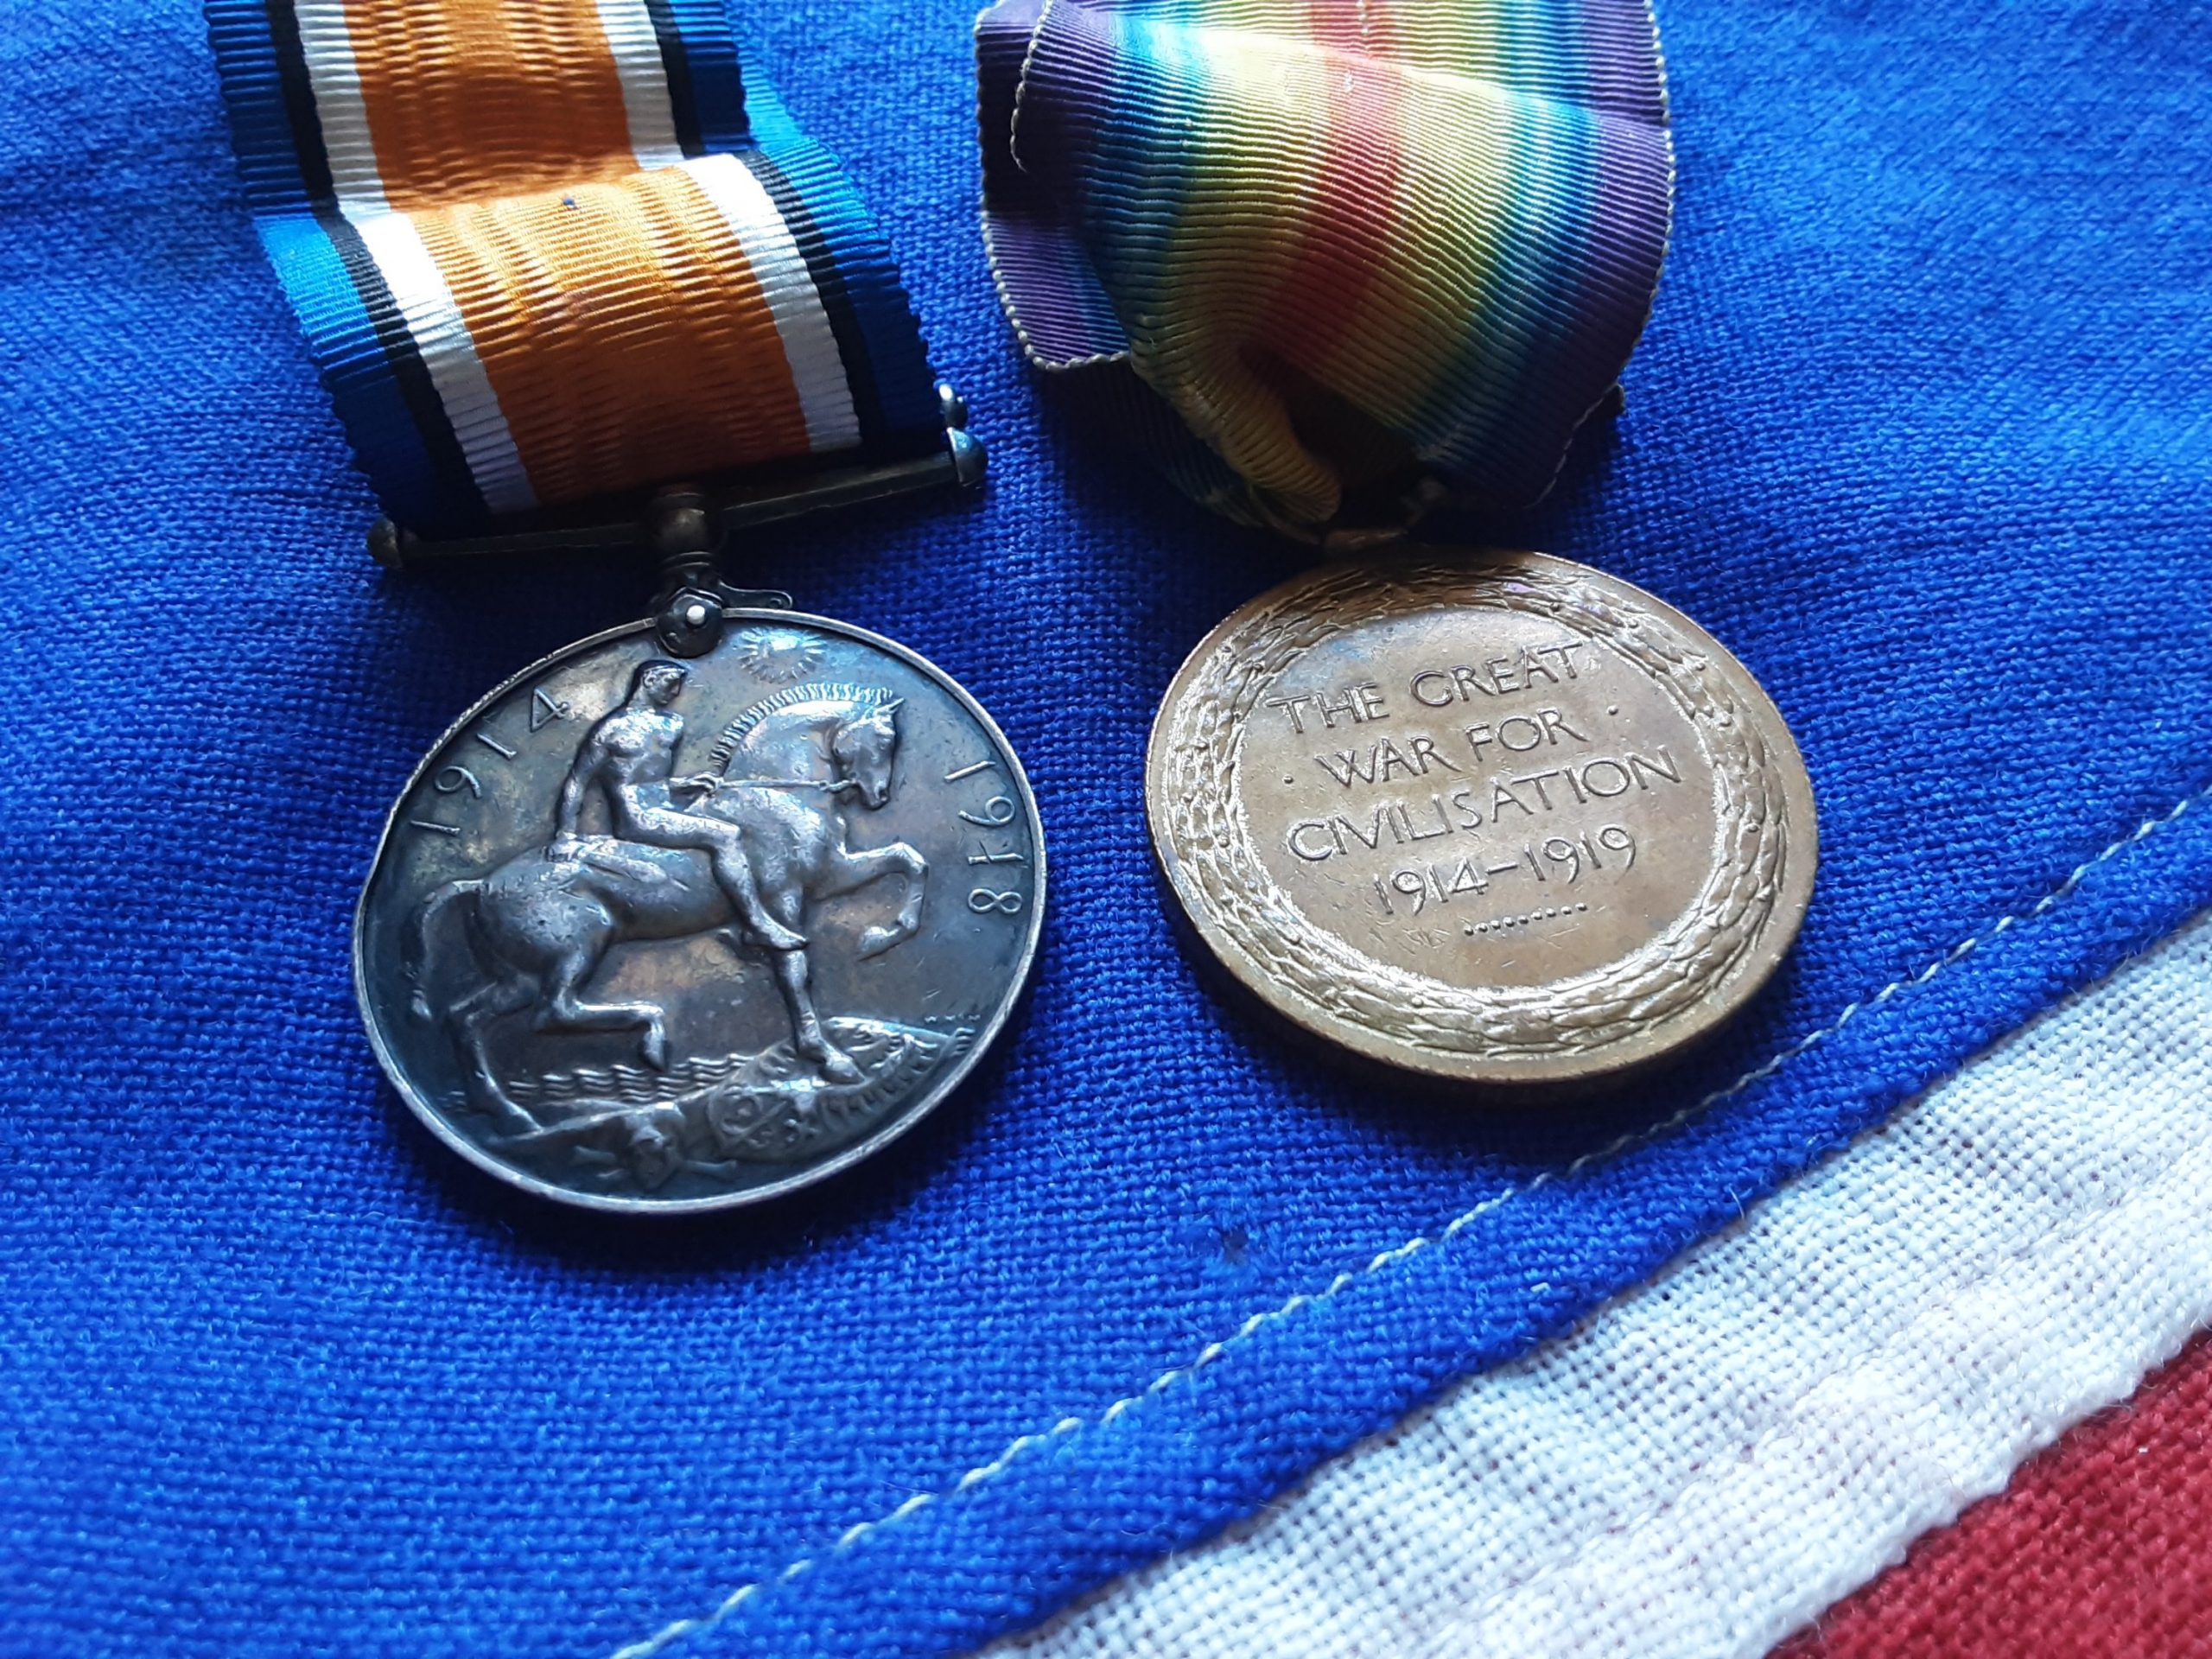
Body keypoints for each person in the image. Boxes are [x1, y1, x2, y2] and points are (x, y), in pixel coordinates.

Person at [547, 659, 805, 951]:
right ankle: (757, 923)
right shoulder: (611, 729)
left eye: (679, 685)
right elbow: (577, 781)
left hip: (668, 807)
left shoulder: (672, 724)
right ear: (648, 680)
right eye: (670, 684)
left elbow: (653, 781)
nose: (675, 692)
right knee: (725, 835)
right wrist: (564, 835)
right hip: (639, 818)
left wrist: (690, 783)